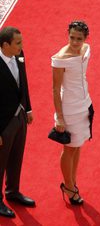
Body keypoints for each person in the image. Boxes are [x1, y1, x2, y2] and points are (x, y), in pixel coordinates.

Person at [51, 20, 94, 205]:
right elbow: (55, 89)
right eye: (71, 37)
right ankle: (68, 187)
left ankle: (72, 181)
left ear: (85, 38)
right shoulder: (61, 58)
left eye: (79, 38)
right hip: (69, 109)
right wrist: (59, 117)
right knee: (69, 148)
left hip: (85, 104)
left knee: (77, 146)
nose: (75, 42)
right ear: (67, 35)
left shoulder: (86, 49)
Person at [0, 26, 35, 218]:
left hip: (20, 116)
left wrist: (27, 108)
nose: (22, 46)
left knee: (16, 156)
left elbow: (24, 83)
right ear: (6, 45)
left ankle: (12, 191)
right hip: (3, 123)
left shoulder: (20, 56)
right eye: (18, 43)